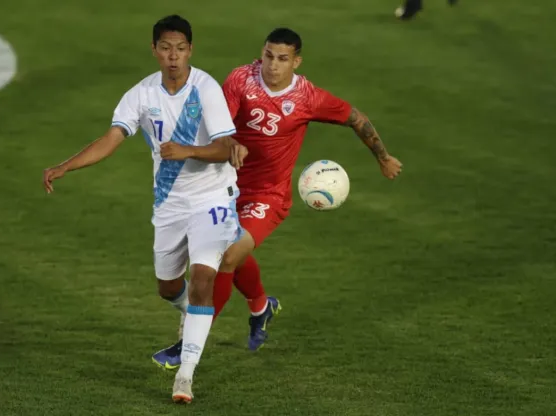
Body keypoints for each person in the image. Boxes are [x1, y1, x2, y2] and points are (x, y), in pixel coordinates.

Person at [152, 27, 403, 369]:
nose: (272, 65)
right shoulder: (242, 79)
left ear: (296, 62)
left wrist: (384, 158)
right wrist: (229, 142)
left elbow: (357, 119)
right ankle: (261, 306)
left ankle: (189, 345)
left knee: (226, 256)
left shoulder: (308, 98)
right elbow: (218, 121)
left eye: (282, 59)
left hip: (268, 195)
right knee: (226, 254)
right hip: (222, 186)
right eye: (268, 55)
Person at [42, 15, 248, 404]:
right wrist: (65, 165)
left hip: (212, 197)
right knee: (168, 286)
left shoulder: (206, 88)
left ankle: (185, 376)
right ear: (154, 49)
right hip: (169, 203)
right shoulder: (140, 94)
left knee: (203, 278)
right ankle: (190, 315)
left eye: (181, 48)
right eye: (166, 48)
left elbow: (225, 146)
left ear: (191, 50)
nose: (174, 57)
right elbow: (110, 139)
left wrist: (187, 150)